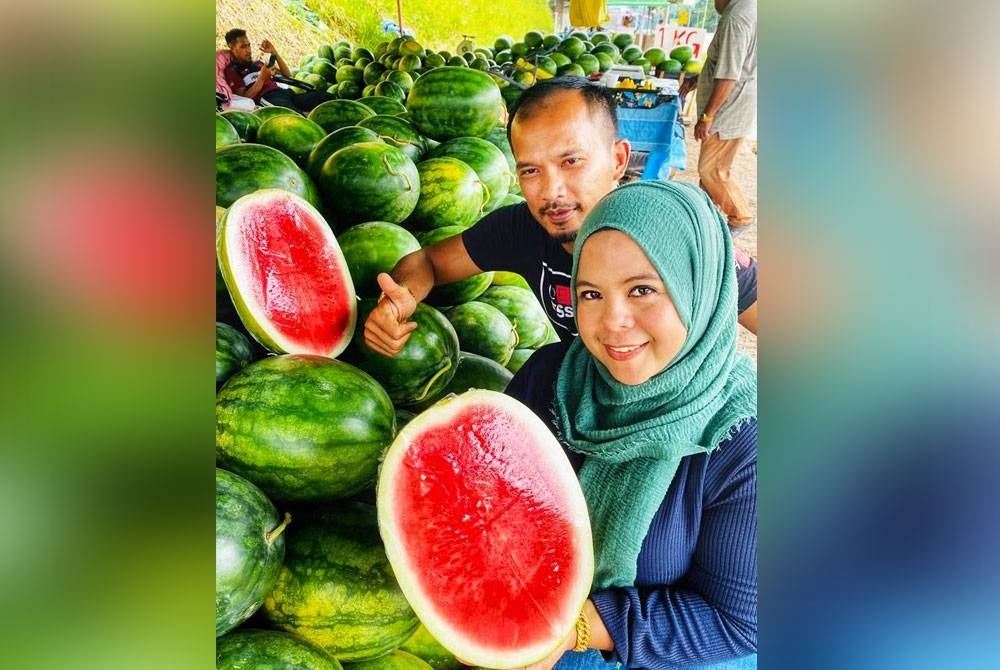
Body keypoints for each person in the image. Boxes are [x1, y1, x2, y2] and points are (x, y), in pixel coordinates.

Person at [505, 180, 757, 670]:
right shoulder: (548, 377)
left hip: (670, 650)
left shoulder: (745, 438)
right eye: (591, 294)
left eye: (642, 289)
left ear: (697, 287)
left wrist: (574, 628)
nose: (612, 321)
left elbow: (738, 621)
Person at [363, 78, 757, 358]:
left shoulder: (676, 231)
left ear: (618, 159)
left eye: (571, 162)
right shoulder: (522, 229)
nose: (551, 192)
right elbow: (427, 261)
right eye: (530, 170)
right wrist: (400, 301)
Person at [687, 0, 757, 232]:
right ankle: (707, 220)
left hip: (730, 105)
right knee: (715, 170)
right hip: (738, 99)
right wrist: (697, 80)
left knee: (712, 170)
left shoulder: (736, 18)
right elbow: (728, 63)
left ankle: (740, 217)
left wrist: (708, 116)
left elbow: (729, 74)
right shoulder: (747, 8)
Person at [222, 29, 334, 112]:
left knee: (327, 98)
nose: (248, 50)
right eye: (243, 47)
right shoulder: (232, 70)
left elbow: (287, 75)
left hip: (286, 94)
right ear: (232, 47)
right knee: (295, 115)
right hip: (267, 98)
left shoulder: (257, 64)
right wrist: (262, 78)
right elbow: (245, 98)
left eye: (249, 45)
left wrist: (274, 53)